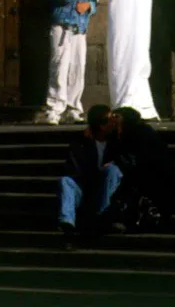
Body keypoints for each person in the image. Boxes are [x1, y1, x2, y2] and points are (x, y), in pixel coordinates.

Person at [37, 0, 97, 126]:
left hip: (79, 27)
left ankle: (73, 108)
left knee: (77, 69)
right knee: (59, 68)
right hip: (62, 26)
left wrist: (89, 5)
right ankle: (54, 109)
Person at [58, 104, 123, 249]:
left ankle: (103, 217)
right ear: (101, 125)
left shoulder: (117, 141)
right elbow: (75, 168)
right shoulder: (81, 142)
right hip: (87, 186)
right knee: (66, 181)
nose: (114, 121)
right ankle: (67, 225)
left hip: (107, 189)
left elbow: (127, 162)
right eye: (110, 119)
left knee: (112, 170)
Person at [108, 106, 175, 230]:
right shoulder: (117, 135)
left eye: (116, 117)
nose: (112, 121)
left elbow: (145, 162)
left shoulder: (142, 133)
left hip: (155, 177)